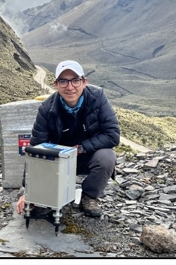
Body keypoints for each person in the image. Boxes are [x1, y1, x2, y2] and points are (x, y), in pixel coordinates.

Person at [14, 60, 120, 219]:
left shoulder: (97, 98)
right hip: (57, 163)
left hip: (86, 156)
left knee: (107, 157)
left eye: (75, 80)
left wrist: (81, 148)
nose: (70, 87)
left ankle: (89, 196)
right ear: (56, 84)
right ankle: (51, 194)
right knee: (39, 209)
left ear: (84, 82)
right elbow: (35, 149)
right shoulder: (46, 109)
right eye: (63, 81)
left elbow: (112, 135)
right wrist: (28, 190)